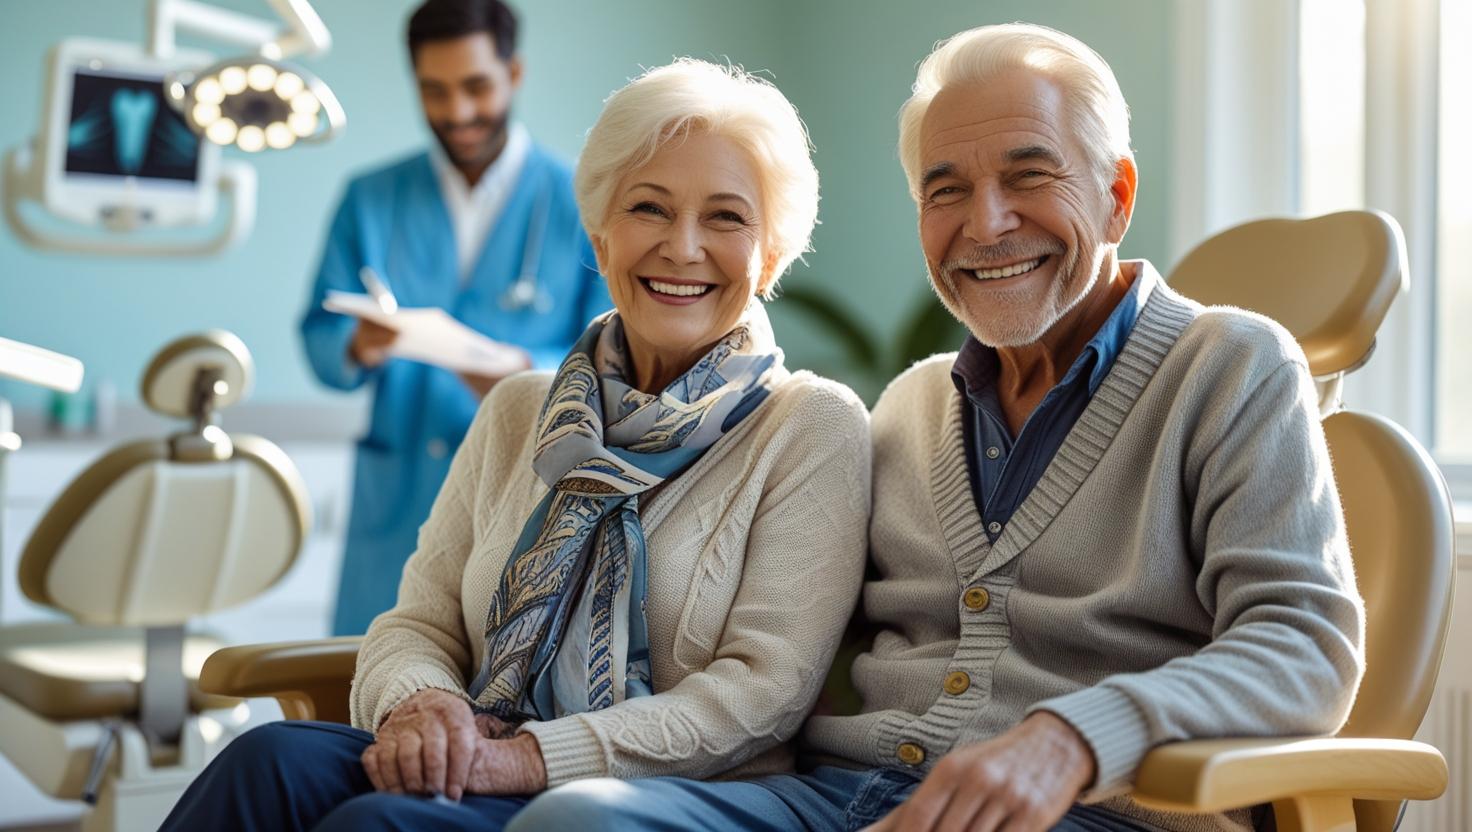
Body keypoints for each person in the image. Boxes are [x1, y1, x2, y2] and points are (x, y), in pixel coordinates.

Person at [395, 23, 1364, 832]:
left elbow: (1303, 646)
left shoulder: (1232, 366)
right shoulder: (908, 407)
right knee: (578, 819)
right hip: (841, 800)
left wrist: (1071, 736)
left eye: (1028, 176)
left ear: (1115, 195)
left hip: (1088, 812)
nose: (985, 223)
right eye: (944, 189)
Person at [161, 59, 871, 831]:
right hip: (479, 750)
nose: (683, 246)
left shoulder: (810, 425)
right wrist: (426, 706)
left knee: (373, 825)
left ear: (768, 257)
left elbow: (761, 693)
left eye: (727, 218)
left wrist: (529, 756)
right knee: (265, 760)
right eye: (649, 208)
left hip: (661, 791)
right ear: (601, 241)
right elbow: (417, 624)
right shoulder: (517, 410)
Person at [300, 0, 612, 636]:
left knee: (497, 698)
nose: (458, 113)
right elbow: (319, 339)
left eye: (476, 87)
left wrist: (526, 372)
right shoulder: (370, 199)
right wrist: (358, 346)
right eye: (434, 91)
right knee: (369, 691)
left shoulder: (581, 201)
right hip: (398, 501)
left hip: (520, 495)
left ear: (513, 73)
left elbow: (618, 352)